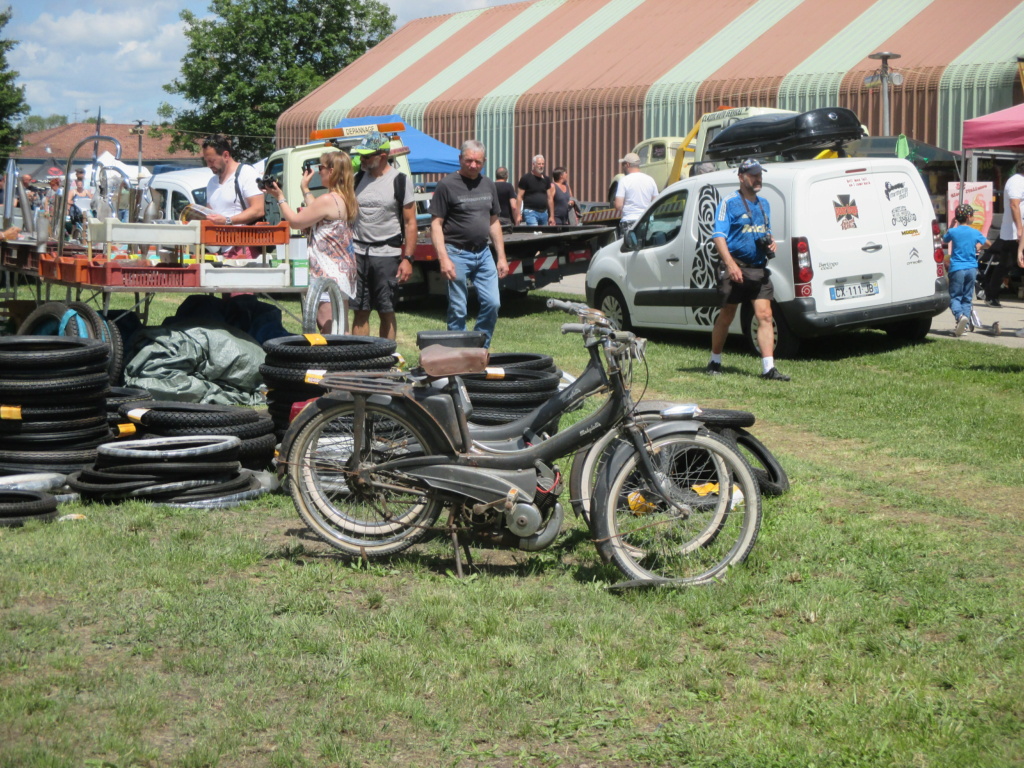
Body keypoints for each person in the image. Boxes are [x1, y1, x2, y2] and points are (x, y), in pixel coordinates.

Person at [706, 159, 790, 382]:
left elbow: (764, 231)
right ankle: (715, 360)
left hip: (758, 270)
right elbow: (718, 236)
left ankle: (768, 368)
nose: (758, 178)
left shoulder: (765, 204)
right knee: (727, 315)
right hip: (736, 269)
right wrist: (731, 265)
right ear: (741, 177)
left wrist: (771, 242)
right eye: (753, 175)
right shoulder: (729, 202)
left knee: (765, 315)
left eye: (759, 174)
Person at [266, 151, 358, 334]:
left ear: (331, 171)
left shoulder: (327, 200)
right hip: (341, 270)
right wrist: (305, 189)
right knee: (339, 326)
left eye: (321, 168)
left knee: (329, 328)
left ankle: (339, 361)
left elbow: (295, 221)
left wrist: (280, 198)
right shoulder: (346, 198)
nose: (319, 172)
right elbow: (316, 209)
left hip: (326, 272)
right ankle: (347, 359)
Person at [429, 139, 509, 348]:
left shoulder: (488, 184)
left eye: (478, 162)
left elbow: (494, 222)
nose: (473, 165)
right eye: (469, 160)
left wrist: (501, 257)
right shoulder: (447, 185)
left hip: (483, 253)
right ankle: (458, 353)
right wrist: (443, 258)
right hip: (456, 252)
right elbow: (436, 224)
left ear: (484, 161)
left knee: (493, 303)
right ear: (460, 159)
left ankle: (479, 349)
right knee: (458, 309)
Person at [348, 133, 417, 340]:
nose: (362, 160)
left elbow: (410, 222)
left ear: (383, 155)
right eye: (361, 156)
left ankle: (386, 359)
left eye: (367, 156)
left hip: (387, 254)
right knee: (360, 310)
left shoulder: (400, 181)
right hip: (358, 254)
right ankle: (360, 359)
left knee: (385, 309)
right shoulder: (357, 179)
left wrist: (408, 259)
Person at [201, 134, 265, 257]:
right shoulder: (212, 183)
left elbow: (258, 209)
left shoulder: (246, 173)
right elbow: (210, 214)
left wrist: (227, 221)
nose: (209, 165)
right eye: (206, 161)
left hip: (243, 249)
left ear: (226, 155)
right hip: (219, 250)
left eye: (212, 160)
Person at [982, 159, 1024, 308]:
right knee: (1006, 264)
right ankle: (990, 293)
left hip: (1017, 232)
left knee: (1006, 264)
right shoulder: (1017, 181)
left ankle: (990, 292)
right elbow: (1014, 205)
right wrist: (1019, 228)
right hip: (1014, 232)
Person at [943, 203, 989, 337]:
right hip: (971, 268)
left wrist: (952, 224)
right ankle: (965, 326)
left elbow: (945, 239)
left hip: (957, 268)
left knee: (954, 297)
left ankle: (960, 316)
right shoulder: (975, 232)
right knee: (967, 298)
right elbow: (988, 243)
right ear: (969, 217)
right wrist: (979, 246)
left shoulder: (953, 231)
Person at [613, 152, 658, 237]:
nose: (622, 168)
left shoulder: (624, 181)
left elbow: (618, 206)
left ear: (628, 164)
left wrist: (615, 202)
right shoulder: (650, 180)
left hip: (629, 221)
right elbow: (656, 201)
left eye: (623, 165)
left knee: (629, 249)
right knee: (647, 248)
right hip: (647, 221)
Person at [516, 155, 554, 226]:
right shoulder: (526, 178)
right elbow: (519, 197)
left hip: (544, 212)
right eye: (539, 164)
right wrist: (518, 214)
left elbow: (550, 197)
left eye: (543, 164)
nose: (541, 166)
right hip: (531, 211)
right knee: (534, 232)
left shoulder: (546, 179)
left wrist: (552, 216)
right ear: (534, 164)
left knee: (544, 235)